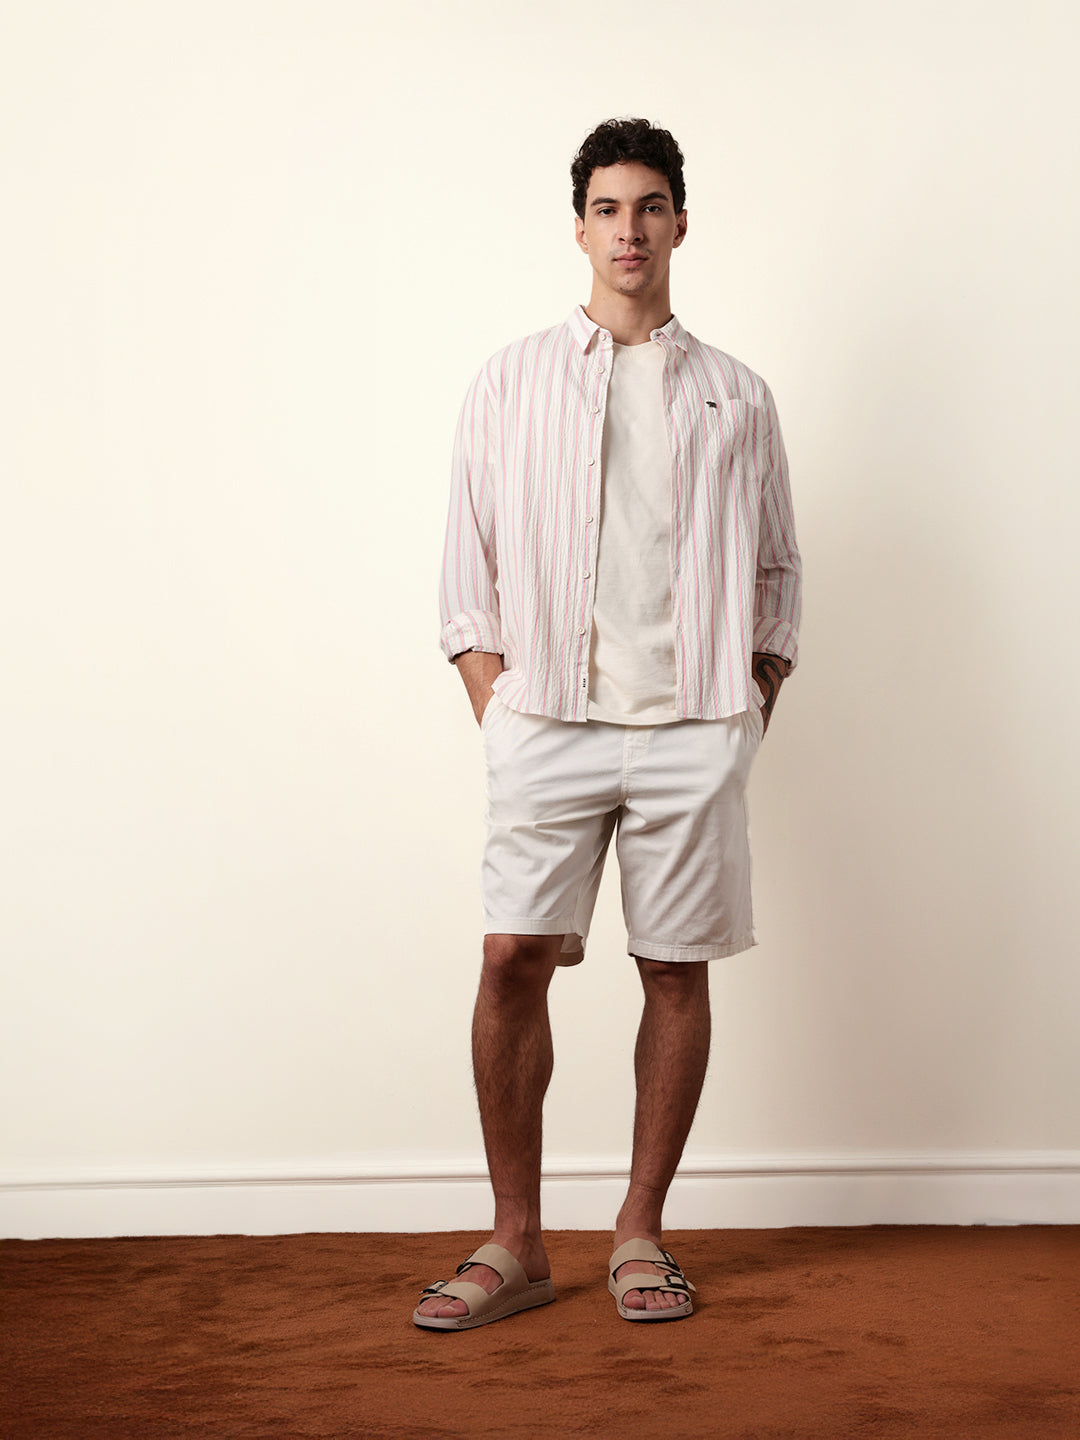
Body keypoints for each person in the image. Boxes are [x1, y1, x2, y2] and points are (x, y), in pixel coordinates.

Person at [415, 117, 801, 1331]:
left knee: (673, 968)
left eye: (649, 206)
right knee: (510, 958)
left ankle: (640, 1230)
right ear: (579, 228)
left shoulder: (738, 394)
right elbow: (468, 558)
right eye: (606, 209)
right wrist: (496, 699)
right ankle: (517, 1240)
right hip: (549, 715)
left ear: (681, 222)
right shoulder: (511, 379)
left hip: (694, 723)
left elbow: (778, 570)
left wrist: (748, 702)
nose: (628, 230)